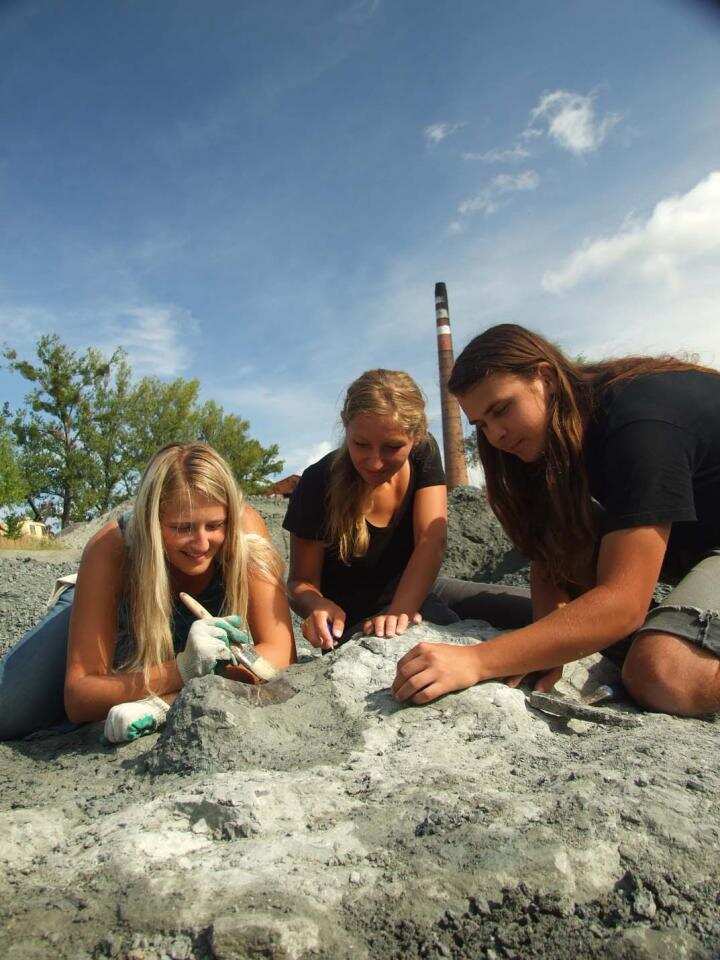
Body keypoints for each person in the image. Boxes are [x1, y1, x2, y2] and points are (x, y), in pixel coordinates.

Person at [392, 323, 720, 718]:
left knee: (665, 673)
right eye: (481, 424)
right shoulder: (552, 433)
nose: (495, 435)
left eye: (501, 409)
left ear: (543, 377)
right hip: (698, 540)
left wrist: (478, 660)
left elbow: (624, 605)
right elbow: (549, 553)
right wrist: (542, 648)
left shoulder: (639, 423)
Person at [0, 443, 296, 742]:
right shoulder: (111, 548)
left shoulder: (246, 531)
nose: (202, 543)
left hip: (174, 639)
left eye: (215, 525)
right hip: (113, 608)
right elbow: (79, 697)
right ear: (151, 522)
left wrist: (170, 696)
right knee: (8, 712)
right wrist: (182, 669)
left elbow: (281, 653)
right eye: (183, 528)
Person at [284, 369, 452, 649]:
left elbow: (431, 539)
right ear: (345, 426)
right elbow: (300, 582)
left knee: (518, 612)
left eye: (392, 447)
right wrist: (317, 604)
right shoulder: (317, 483)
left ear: (417, 436)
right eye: (361, 444)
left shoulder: (425, 452)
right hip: (354, 624)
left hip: (416, 596)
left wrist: (401, 610)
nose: (374, 462)